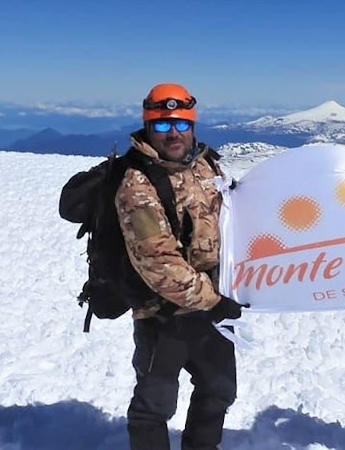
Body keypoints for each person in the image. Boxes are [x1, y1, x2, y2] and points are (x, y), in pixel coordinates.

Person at [116, 82, 246, 450]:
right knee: (155, 405)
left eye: (180, 123)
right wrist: (213, 301)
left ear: (192, 124)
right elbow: (158, 261)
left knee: (219, 389)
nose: (173, 133)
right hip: (163, 311)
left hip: (212, 301)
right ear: (147, 127)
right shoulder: (137, 184)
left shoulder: (205, 164)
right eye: (161, 125)